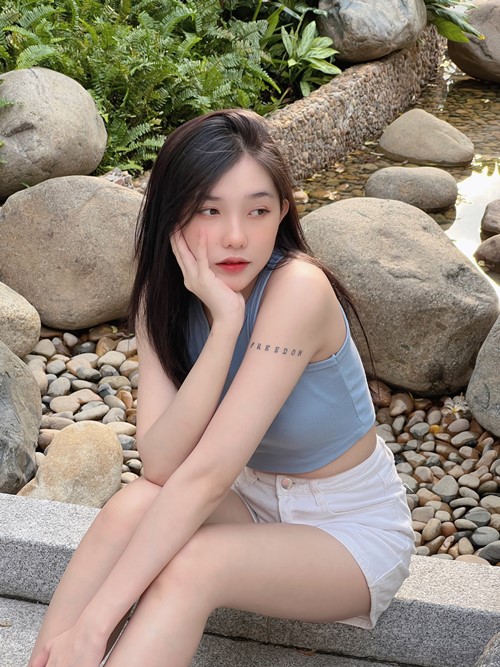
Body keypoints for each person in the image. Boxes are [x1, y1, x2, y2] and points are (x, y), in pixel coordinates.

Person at [29, 109, 415, 667]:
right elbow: (163, 464)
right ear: (172, 214)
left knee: (193, 566)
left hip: (348, 531)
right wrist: (225, 327)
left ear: (282, 213)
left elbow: (208, 476)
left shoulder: (298, 289)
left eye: (258, 210)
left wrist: (96, 624)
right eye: (209, 210)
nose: (236, 236)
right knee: (130, 506)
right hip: (250, 506)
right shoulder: (163, 299)